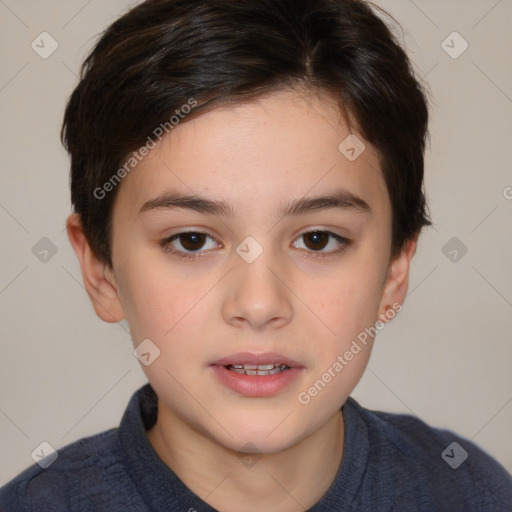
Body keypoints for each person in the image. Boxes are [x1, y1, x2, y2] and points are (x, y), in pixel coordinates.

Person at [1, 0, 511, 510]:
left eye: (318, 239)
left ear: (395, 270)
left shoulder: (469, 491)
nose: (260, 303)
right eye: (192, 240)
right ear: (101, 271)